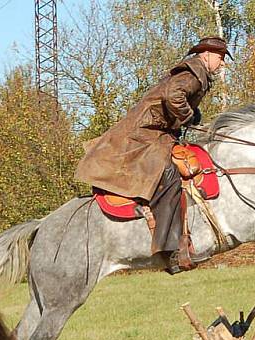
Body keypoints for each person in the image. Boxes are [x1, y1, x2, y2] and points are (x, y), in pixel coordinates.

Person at [75, 36, 231, 271]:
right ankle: (170, 251)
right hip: (146, 134)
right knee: (169, 175)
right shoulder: (194, 73)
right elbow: (173, 96)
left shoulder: (196, 72)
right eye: (220, 58)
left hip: (155, 132)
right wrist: (189, 115)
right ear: (207, 54)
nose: (221, 64)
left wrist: (189, 116)